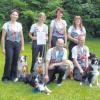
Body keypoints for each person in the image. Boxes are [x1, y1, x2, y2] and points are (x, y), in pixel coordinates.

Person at [1, 9, 24, 82]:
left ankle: (13, 76)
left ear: (18, 16)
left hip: (17, 44)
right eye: (13, 14)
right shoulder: (6, 24)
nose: (15, 16)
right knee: (9, 60)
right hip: (9, 43)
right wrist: (3, 48)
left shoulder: (19, 24)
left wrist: (22, 46)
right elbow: (3, 37)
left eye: (16, 15)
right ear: (10, 15)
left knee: (15, 60)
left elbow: (21, 36)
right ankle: (5, 77)